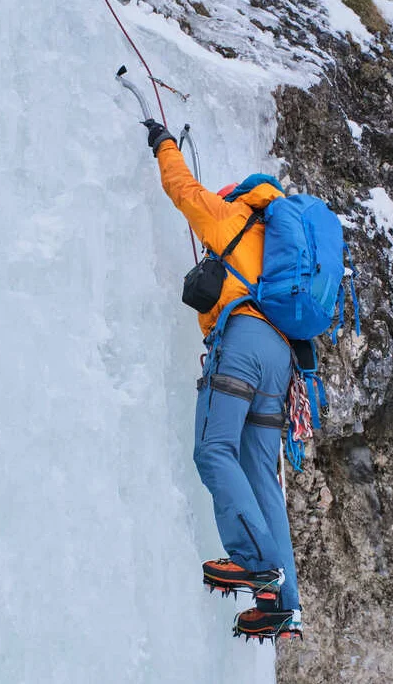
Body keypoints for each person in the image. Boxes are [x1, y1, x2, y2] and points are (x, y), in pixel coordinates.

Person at [140, 119, 302, 640]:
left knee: (213, 450)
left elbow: (182, 189)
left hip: (243, 344)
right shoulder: (281, 257)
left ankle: (254, 563)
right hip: (281, 359)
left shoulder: (231, 216)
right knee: (261, 477)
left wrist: (164, 144)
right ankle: (283, 603)